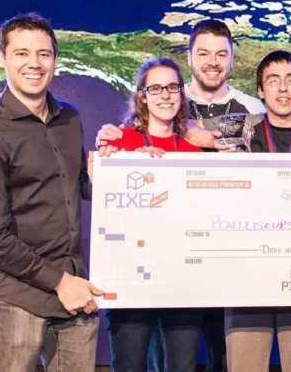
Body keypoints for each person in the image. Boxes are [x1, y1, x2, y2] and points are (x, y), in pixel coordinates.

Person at [0, 12, 101, 372]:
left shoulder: (69, 118)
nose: (34, 63)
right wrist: (60, 282)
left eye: (43, 54)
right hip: (12, 295)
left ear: (55, 60)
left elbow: (75, 185)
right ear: (1, 58)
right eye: (21, 53)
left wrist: (110, 175)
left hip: (74, 290)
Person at [209, 50, 291, 372]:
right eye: (273, 81)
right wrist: (121, 131)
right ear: (260, 91)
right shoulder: (237, 127)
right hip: (248, 275)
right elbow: (180, 125)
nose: (283, 88)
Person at [101, 58, 204, 372]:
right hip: (132, 279)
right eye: (156, 88)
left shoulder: (194, 151)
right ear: (142, 96)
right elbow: (104, 198)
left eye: (172, 87)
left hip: (182, 279)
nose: (166, 95)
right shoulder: (119, 143)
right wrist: (133, 166)